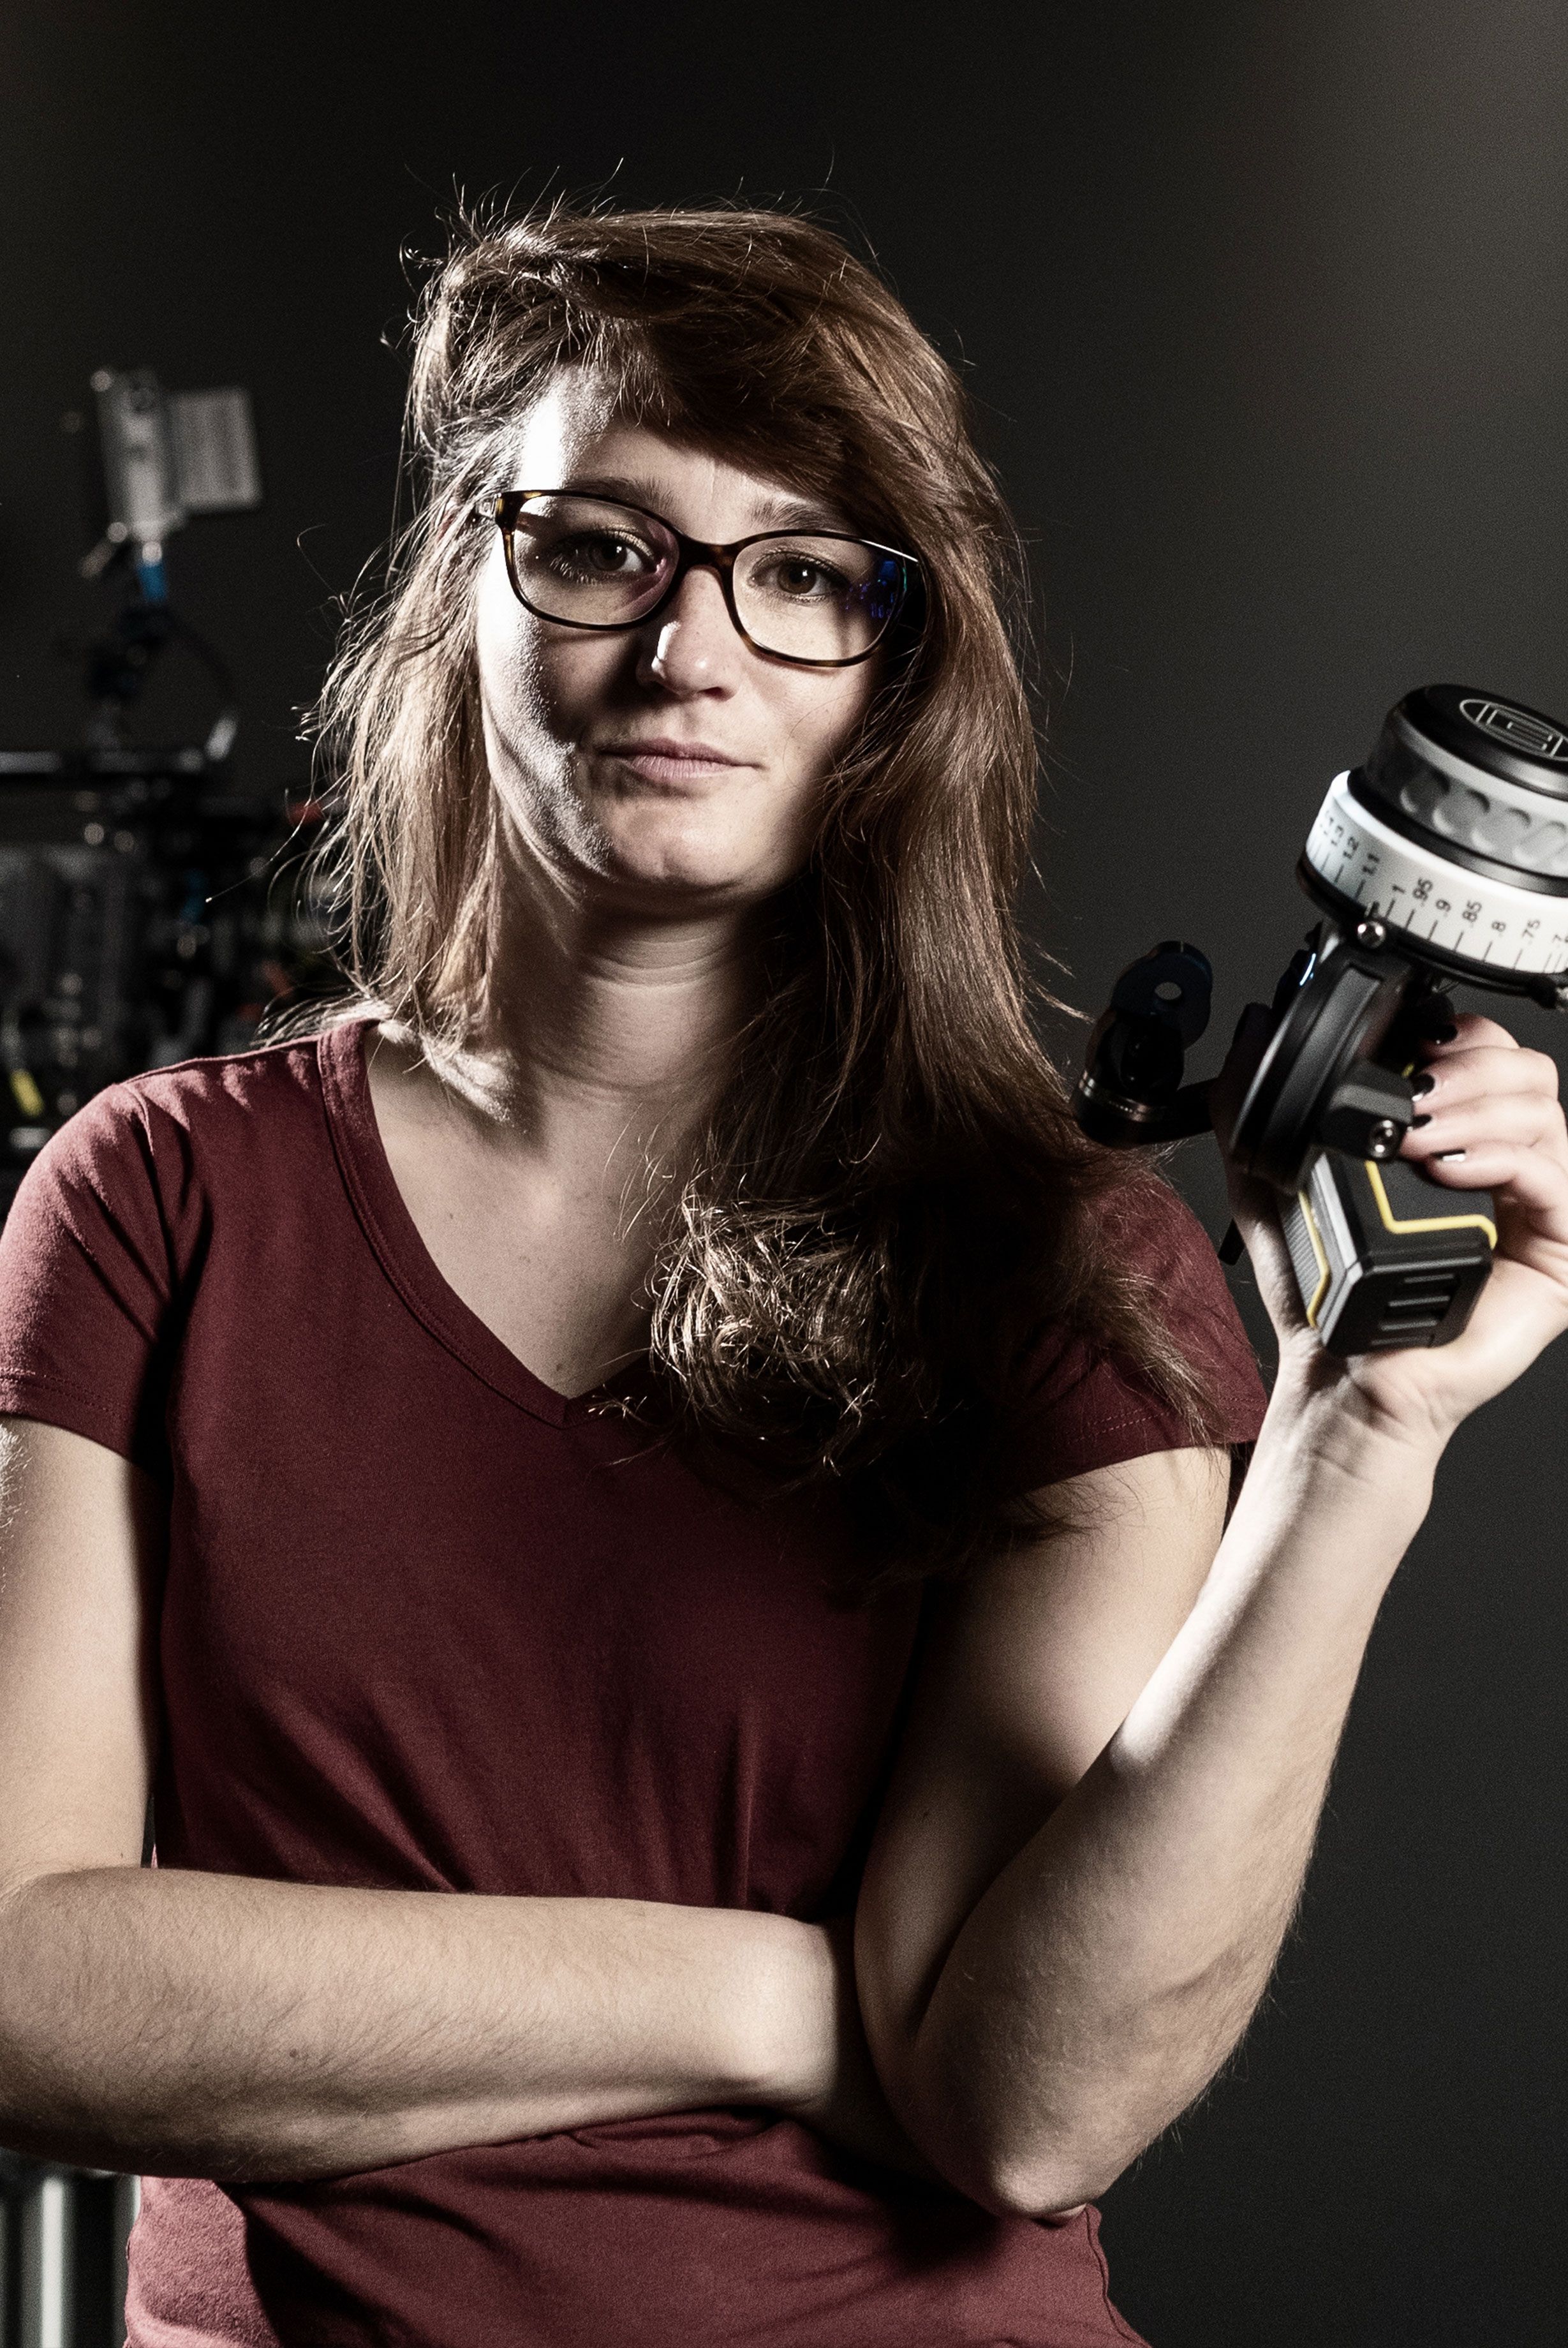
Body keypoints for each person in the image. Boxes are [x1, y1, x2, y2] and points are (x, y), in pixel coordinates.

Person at [0, 207, 1563, 2348]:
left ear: (892, 682)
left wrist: (1357, 1445)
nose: (690, 651)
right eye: (600, 548)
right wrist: (770, 1994)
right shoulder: (161, 1196)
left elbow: (1028, 2106)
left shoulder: (1050, 1256)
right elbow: (27, 1988)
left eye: (806, 575)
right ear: (462, 592)